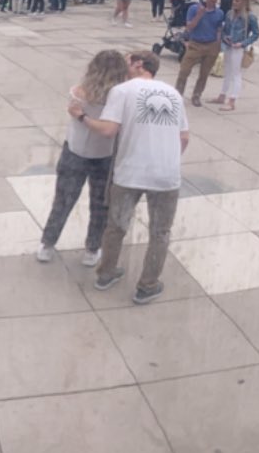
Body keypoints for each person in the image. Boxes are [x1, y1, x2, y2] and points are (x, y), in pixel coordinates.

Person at [71, 50, 189, 306]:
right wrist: (167, 159)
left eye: (127, 61)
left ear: (139, 64)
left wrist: (81, 116)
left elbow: (107, 130)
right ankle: (147, 286)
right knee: (160, 232)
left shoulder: (122, 91)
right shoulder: (174, 94)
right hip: (166, 175)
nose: (123, 66)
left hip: (130, 172)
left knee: (116, 226)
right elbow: (184, 137)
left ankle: (106, 274)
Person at [36, 49, 130, 268]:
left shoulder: (77, 93)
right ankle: (92, 248)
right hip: (104, 156)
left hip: (75, 152)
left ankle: (48, 244)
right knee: (100, 205)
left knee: (63, 201)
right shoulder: (120, 100)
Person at [212, 0, 259, 113]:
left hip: (238, 47)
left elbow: (256, 33)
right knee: (226, 71)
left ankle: (232, 100)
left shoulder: (250, 16)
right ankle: (222, 94)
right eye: (234, 0)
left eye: (237, 1)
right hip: (228, 45)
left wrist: (243, 43)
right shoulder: (229, 14)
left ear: (244, 2)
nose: (234, 3)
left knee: (236, 73)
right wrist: (224, 37)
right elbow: (225, 29)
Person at [175, 0, 225, 106]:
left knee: (204, 73)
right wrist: (199, 15)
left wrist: (218, 45)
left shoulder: (219, 13)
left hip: (211, 45)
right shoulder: (194, 9)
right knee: (184, 71)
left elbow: (219, 29)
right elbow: (189, 27)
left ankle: (197, 95)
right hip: (195, 44)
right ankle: (177, 94)